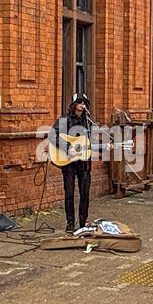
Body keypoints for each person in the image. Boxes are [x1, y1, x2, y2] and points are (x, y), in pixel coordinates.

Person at [52, 93, 95, 232]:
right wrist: (67, 147)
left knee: (85, 193)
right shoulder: (64, 120)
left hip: (84, 162)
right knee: (69, 192)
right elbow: (53, 136)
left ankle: (82, 223)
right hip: (68, 162)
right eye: (80, 102)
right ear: (74, 104)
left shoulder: (87, 122)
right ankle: (70, 223)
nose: (83, 105)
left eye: (84, 103)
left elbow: (89, 142)